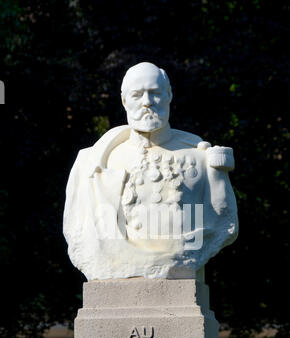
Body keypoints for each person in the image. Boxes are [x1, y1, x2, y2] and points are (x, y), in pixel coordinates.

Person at [63, 62, 238, 280]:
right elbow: (79, 230)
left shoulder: (201, 157)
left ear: (169, 96)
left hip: (182, 269)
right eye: (137, 95)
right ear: (124, 101)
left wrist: (217, 173)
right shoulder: (91, 163)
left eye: (155, 93)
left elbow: (223, 222)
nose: (147, 102)